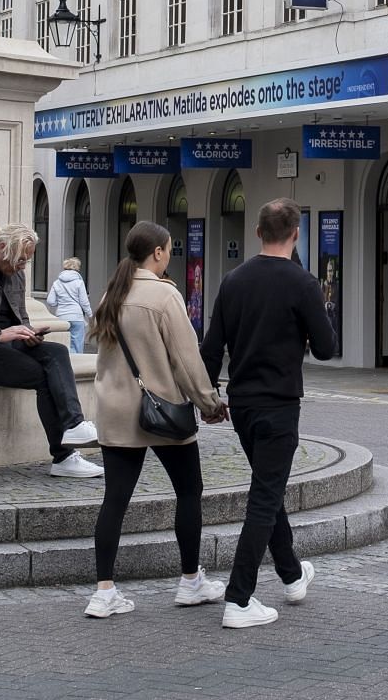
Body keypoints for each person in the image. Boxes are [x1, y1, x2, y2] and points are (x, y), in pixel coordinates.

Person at [200, 198, 337, 629]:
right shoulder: (303, 284)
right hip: (279, 404)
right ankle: (239, 599)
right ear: (296, 234)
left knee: (268, 488)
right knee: (263, 497)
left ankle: (292, 575)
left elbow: (210, 348)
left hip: (242, 405)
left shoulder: (233, 280)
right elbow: (328, 349)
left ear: (257, 232)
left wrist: (208, 399)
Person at [83, 221, 228, 619]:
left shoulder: (112, 291)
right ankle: (190, 580)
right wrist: (209, 403)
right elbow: (185, 360)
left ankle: (104, 591)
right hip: (162, 410)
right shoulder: (163, 297)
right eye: (167, 250)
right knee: (188, 491)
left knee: (114, 500)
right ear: (159, 253)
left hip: (116, 409)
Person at [0, 223, 102, 478]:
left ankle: (75, 425)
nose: (22, 266)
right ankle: (63, 456)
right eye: (19, 260)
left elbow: (20, 315)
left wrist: (29, 333)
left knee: (57, 352)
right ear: (1, 247)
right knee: (43, 376)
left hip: (10, 344)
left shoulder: (16, 274)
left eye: (26, 261)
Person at [46, 257, 95, 354]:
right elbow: (84, 302)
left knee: (63, 344)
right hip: (76, 316)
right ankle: (76, 365)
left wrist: (59, 303)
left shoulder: (57, 283)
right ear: (77, 268)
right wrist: (90, 315)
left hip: (61, 316)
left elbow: (50, 301)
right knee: (77, 345)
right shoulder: (79, 282)